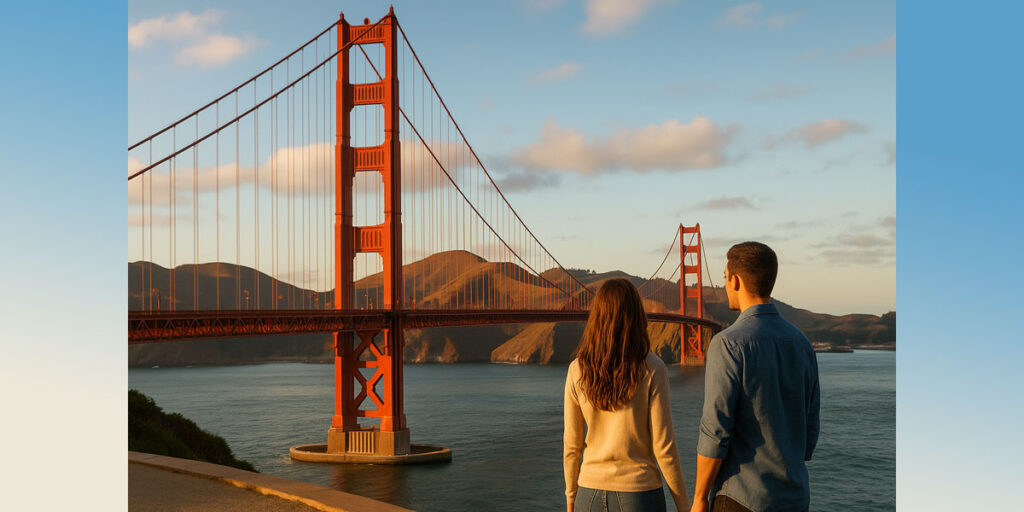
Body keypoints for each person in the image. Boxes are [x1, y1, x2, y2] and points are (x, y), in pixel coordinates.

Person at [691, 242, 820, 512]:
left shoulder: (727, 344)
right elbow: (809, 433)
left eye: (725, 278)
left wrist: (700, 498)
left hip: (742, 498)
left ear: (735, 281)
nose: (725, 285)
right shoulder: (802, 343)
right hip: (795, 499)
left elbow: (715, 432)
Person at [564, 278, 690, 512]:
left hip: (588, 494)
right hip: (638, 494)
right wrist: (684, 505)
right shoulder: (653, 368)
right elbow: (664, 448)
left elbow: (572, 445)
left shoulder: (576, 369)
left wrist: (571, 500)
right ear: (636, 317)